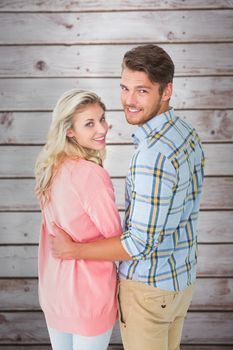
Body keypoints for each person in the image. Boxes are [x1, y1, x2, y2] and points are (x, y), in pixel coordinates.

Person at [50, 44, 205, 350]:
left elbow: (138, 244)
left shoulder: (152, 155)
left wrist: (74, 250)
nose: (129, 101)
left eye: (142, 91)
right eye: (124, 88)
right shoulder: (185, 132)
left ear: (167, 91)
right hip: (180, 281)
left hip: (148, 290)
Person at [34, 89, 122, 350]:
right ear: (69, 131)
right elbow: (117, 239)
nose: (102, 128)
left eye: (102, 119)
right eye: (89, 123)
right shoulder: (91, 175)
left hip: (55, 294)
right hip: (89, 298)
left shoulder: (50, 170)